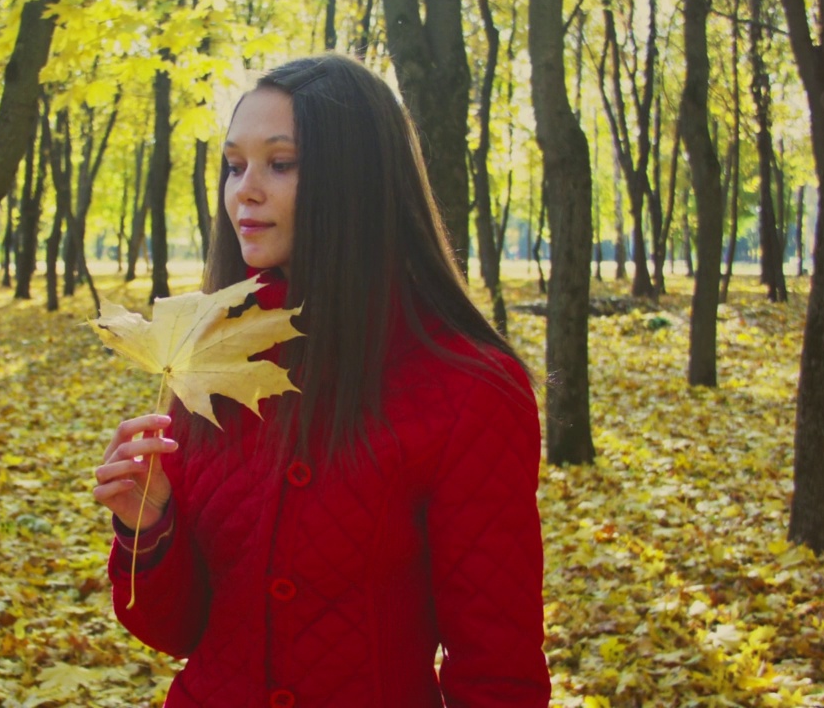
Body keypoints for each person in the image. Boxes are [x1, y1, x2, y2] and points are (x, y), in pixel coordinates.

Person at [92, 53, 550, 707]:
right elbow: (179, 630)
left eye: (281, 164)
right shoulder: (210, 358)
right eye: (234, 164)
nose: (244, 190)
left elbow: (499, 674)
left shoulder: (468, 389)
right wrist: (149, 526)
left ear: (356, 181)